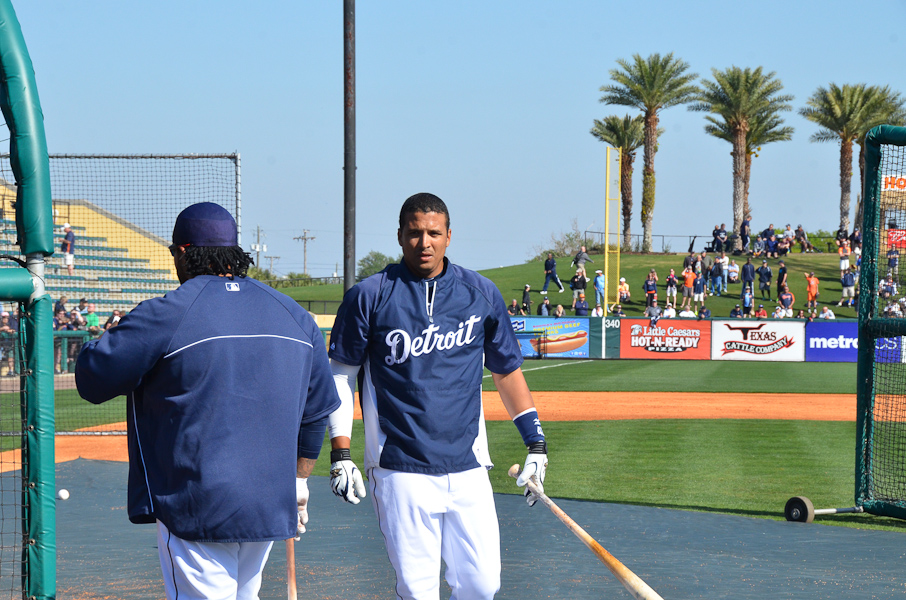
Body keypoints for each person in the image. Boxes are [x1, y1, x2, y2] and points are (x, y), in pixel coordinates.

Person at [74, 202, 341, 600]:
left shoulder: (169, 312)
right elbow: (316, 412)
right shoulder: (295, 315)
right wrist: (299, 480)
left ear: (183, 252)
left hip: (197, 504)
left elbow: (92, 379)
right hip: (269, 503)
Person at [325, 193, 548, 600]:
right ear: (400, 236)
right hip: (400, 467)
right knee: (417, 591)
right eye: (414, 233)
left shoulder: (480, 293)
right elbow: (341, 374)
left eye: (433, 233)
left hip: (468, 466)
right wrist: (341, 453)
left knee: (482, 585)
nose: (424, 242)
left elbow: (506, 371)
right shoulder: (370, 295)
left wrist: (536, 443)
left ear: (448, 236)